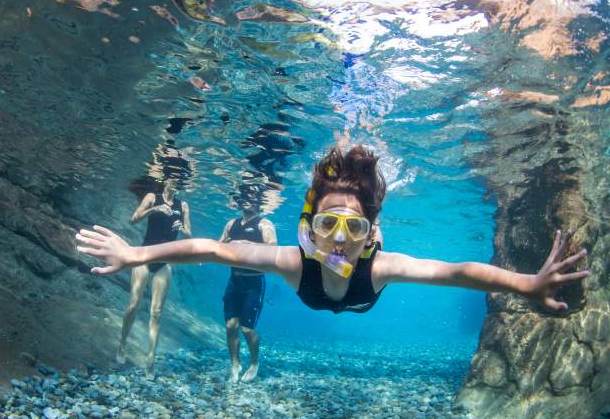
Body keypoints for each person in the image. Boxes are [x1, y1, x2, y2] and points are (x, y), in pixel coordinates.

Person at [76, 146, 589, 335]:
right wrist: (136, 253)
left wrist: (525, 284)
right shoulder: (294, 261)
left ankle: (362, 217)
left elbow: (454, 271)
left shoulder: (379, 265)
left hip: (365, 282)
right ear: (309, 231)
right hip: (322, 282)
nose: (339, 241)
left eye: (355, 228)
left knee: (395, 254)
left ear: (370, 238)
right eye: (327, 226)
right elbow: (211, 248)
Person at [116, 177, 191, 380]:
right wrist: (153, 210)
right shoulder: (152, 197)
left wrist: (182, 228)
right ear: (165, 180)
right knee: (133, 304)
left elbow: (188, 235)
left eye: (179, 180)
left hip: (165, 261)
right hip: (145, 255)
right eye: (172, 179)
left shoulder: (183, 205)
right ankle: (122, 344)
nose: (175, 182)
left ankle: (150, 359)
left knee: (156, 312)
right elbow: (134, 219)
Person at [218, 192, 277, 382]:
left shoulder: (264, 224)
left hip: (254, 282)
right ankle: (235, 364)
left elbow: (273, 248)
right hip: (234, 280)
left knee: (246, 329)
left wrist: (247, 243)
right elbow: (218, 245)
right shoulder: (231, 224)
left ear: (259, 201)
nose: (248, 200)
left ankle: (254, 363)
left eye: (253, 197)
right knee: (230, 326)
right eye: (246, 197)